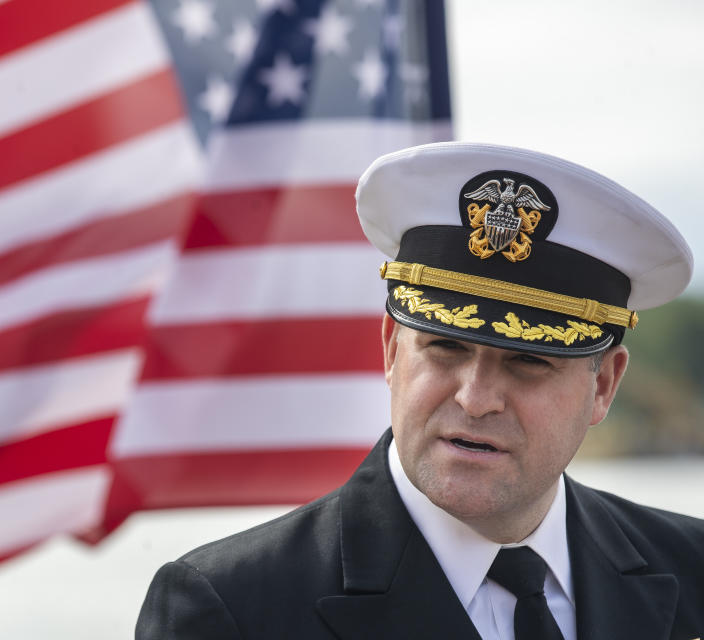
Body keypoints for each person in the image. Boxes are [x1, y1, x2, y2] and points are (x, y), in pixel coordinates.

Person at [135, 142, 704, 639]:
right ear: (391, 348)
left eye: (529, 360)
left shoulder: (691, 568)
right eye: (445, 348)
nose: (476, 398)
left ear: (602, 385)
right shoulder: (231, 610)